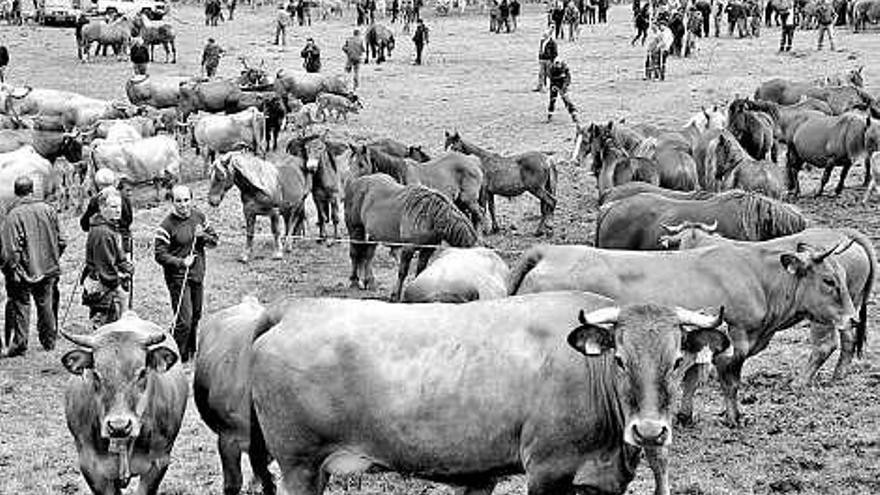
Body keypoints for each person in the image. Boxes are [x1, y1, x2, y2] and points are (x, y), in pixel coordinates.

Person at [1, 176, 66, 358]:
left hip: (23, 272)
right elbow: (63, 240)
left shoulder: (13, 215)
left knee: (22, 306)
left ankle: (20, 345)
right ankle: (49, 342)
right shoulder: (49, 210)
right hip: (48, 268)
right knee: (46, 305)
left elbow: (11, 249)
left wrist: (13, 268)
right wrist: (53, 257)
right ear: (32, 190)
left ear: (16, 192)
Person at [154, 185, 219, 363]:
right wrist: (181, 262)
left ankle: (190, 351)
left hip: (197, 274)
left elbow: (214, 241)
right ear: (172, 202)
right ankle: (175, 356)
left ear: (192, 199)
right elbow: (159, 255)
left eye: (186, 200)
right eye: (178, 201)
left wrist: (203, 236)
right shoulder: (166, 226)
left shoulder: (199, 217)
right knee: (184, 320)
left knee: (196, 315)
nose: (183, 205)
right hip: (177, 278)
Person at [81, 188, 133, 329]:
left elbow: (116, 257)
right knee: (108, 331)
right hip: (104, 292)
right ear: (102, 207)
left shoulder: (109, 227)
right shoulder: (103, 233)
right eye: (113, 207)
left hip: (107, 289)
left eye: (120, 207)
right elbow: (106, 267)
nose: (118, 211)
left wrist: (126, 266)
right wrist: (119, 288)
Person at [80, 168, 133, 260]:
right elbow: (129, 219)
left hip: (105, 240)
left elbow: (85, 223)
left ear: (98, 184)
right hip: (124, 238)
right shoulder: (124, 197)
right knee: (126, 266)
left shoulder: (97, 199)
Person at [546, 58, 578, 123]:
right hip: (554, 83)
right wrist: (554, 87)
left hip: (562, 83)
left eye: (559, 64)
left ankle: (574, 115)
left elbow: (568, 78)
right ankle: (550, 116)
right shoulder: (551, 69)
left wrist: (564, 87)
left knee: (566, 100)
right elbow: (551, 78)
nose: (557, 66)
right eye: (556, 64)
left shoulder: (565, 68)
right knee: (552, 100)